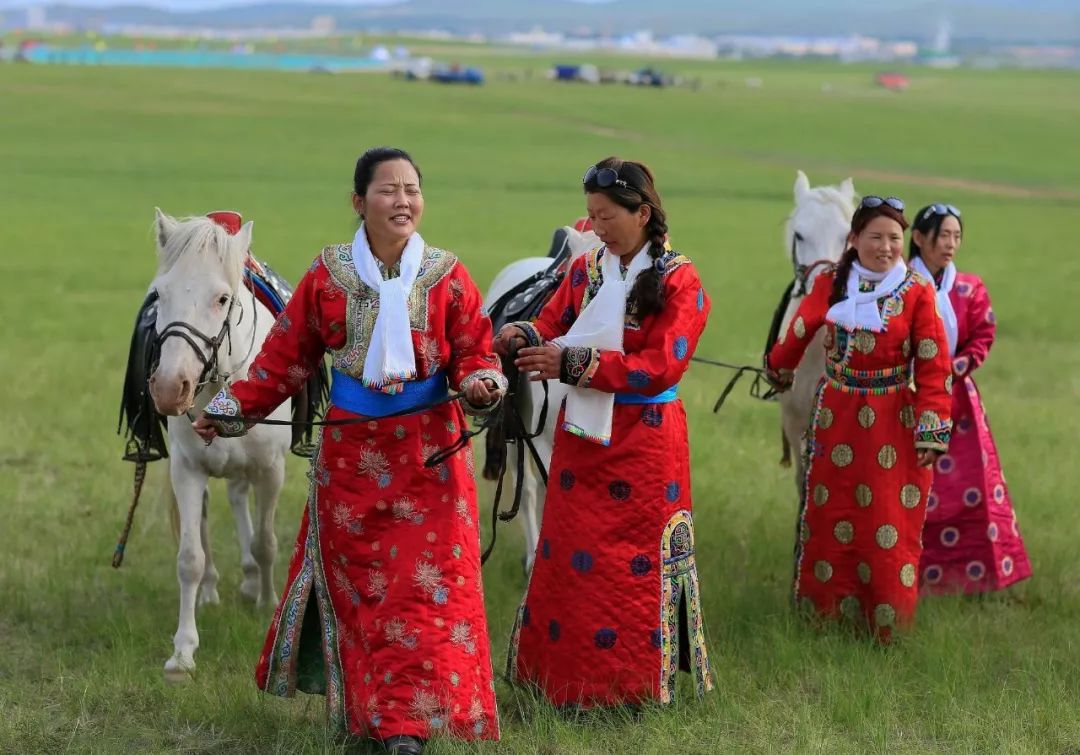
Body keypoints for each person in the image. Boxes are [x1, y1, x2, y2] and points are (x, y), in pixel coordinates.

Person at [193, 147, 505, 755]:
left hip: (431, 460)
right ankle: (381, 719)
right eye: (388, 190)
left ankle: (412, 725)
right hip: (352, 465)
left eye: (412, 188)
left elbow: (475, 349)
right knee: (369, 595)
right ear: (358, 202)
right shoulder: (328, 275)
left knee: (425, 592)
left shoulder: (448, 274)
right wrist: (229, 409)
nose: (403, 200)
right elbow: (286, 359)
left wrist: (481, 382)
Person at [495, 157, 714, 708]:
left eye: (608, 216)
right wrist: (523, 333)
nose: (595, 227)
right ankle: (567, 684)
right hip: (582, 440)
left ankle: (633, 689)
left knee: (634, 567)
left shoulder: (679, 280)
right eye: (591, 216)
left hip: (646, 442)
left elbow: (664, 365)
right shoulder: (585, 269)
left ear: (643, 213)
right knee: (571, 556)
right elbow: (554, 320)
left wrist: (576, 367)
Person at [765, 195, 953, 641]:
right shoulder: (831, 283)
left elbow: (933, 365)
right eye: (875, 237)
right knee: (831, 514)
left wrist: (932, 429)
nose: (886, 247)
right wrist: (778, 367)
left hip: (892, 422)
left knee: (887, 521)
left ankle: (883, 626)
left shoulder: (915, 294)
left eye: (894, 238)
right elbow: (799, 330)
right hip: (836, 419)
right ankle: (823, 618)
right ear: (853, 240)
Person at [908, 204, 1031, 594]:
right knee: (911, 485)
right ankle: (908, 574)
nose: (950, 244)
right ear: (918, 238)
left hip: (957, 396)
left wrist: (953, 366)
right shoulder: (899, 284)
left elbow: (983, 335)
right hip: (907, 396)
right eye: (943, 235)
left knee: (969, 486)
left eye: (956, 236)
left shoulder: (969, 288)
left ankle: (971, 579)